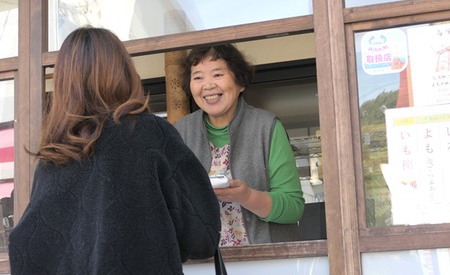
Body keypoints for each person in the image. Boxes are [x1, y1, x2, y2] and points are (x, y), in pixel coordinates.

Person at [8, 26, 221, 274]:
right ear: (124, 71)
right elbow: (202, 235)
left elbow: (29, 245)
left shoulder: (54, 156)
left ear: (64, 83)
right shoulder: (150, 133)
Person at [175, 44, 305, 246]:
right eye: (198, 77)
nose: (208, 85)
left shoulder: (266, 126)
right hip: (203, 264)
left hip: (266, 262)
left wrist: (247, 196)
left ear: (240, 82)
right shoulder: (181, 132)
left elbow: (293, 208)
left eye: (217, 74)